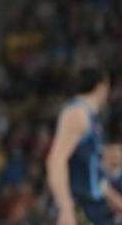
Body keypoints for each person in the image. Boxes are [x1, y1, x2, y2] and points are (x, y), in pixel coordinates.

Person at [47, 67, 122, 224]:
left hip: (96, 207)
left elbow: (94, 176)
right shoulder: (77, 113)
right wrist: (65, 207)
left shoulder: (91, 118)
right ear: (101, 86)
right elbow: (56, 160)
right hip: (82, 206)